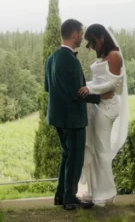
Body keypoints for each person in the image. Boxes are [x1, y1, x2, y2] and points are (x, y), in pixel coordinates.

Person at [44, 19, 113, 210]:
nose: (82, 37)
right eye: (81, 34)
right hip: (72, 118)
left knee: (66, 156)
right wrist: (100, 97)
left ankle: (61, 196)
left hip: (57, 117)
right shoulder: (70, 60)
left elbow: (48, 87)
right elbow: (77, 93)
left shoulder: (51, 57)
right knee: (75, 158)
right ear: (74, 34)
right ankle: (70, 199)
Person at [77, 24, 129, 207]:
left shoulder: (114, 55)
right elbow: (99, 81)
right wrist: (87, 86)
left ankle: (106, 193)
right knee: (94, 148)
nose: (92, 47)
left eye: (93, 42)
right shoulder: (102, 57)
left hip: (107, 107)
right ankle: (94, 191)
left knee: (102, 150)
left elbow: (112, 85)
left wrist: (89, 89)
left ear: (101, 37)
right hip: (96, 105)